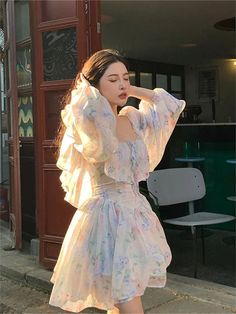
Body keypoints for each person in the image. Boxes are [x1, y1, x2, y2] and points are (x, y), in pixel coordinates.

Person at [49, 49, 186, 314]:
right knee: (128, 303)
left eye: (126, 77)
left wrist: (130, 90)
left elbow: (169, 105)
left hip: (134, 215)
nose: (122, 84)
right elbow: (90, 123)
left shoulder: (131, 119)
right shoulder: (90, 122)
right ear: (93, 86)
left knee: (121, 301)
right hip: (107, 219)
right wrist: (94, 92)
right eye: (112, 79)